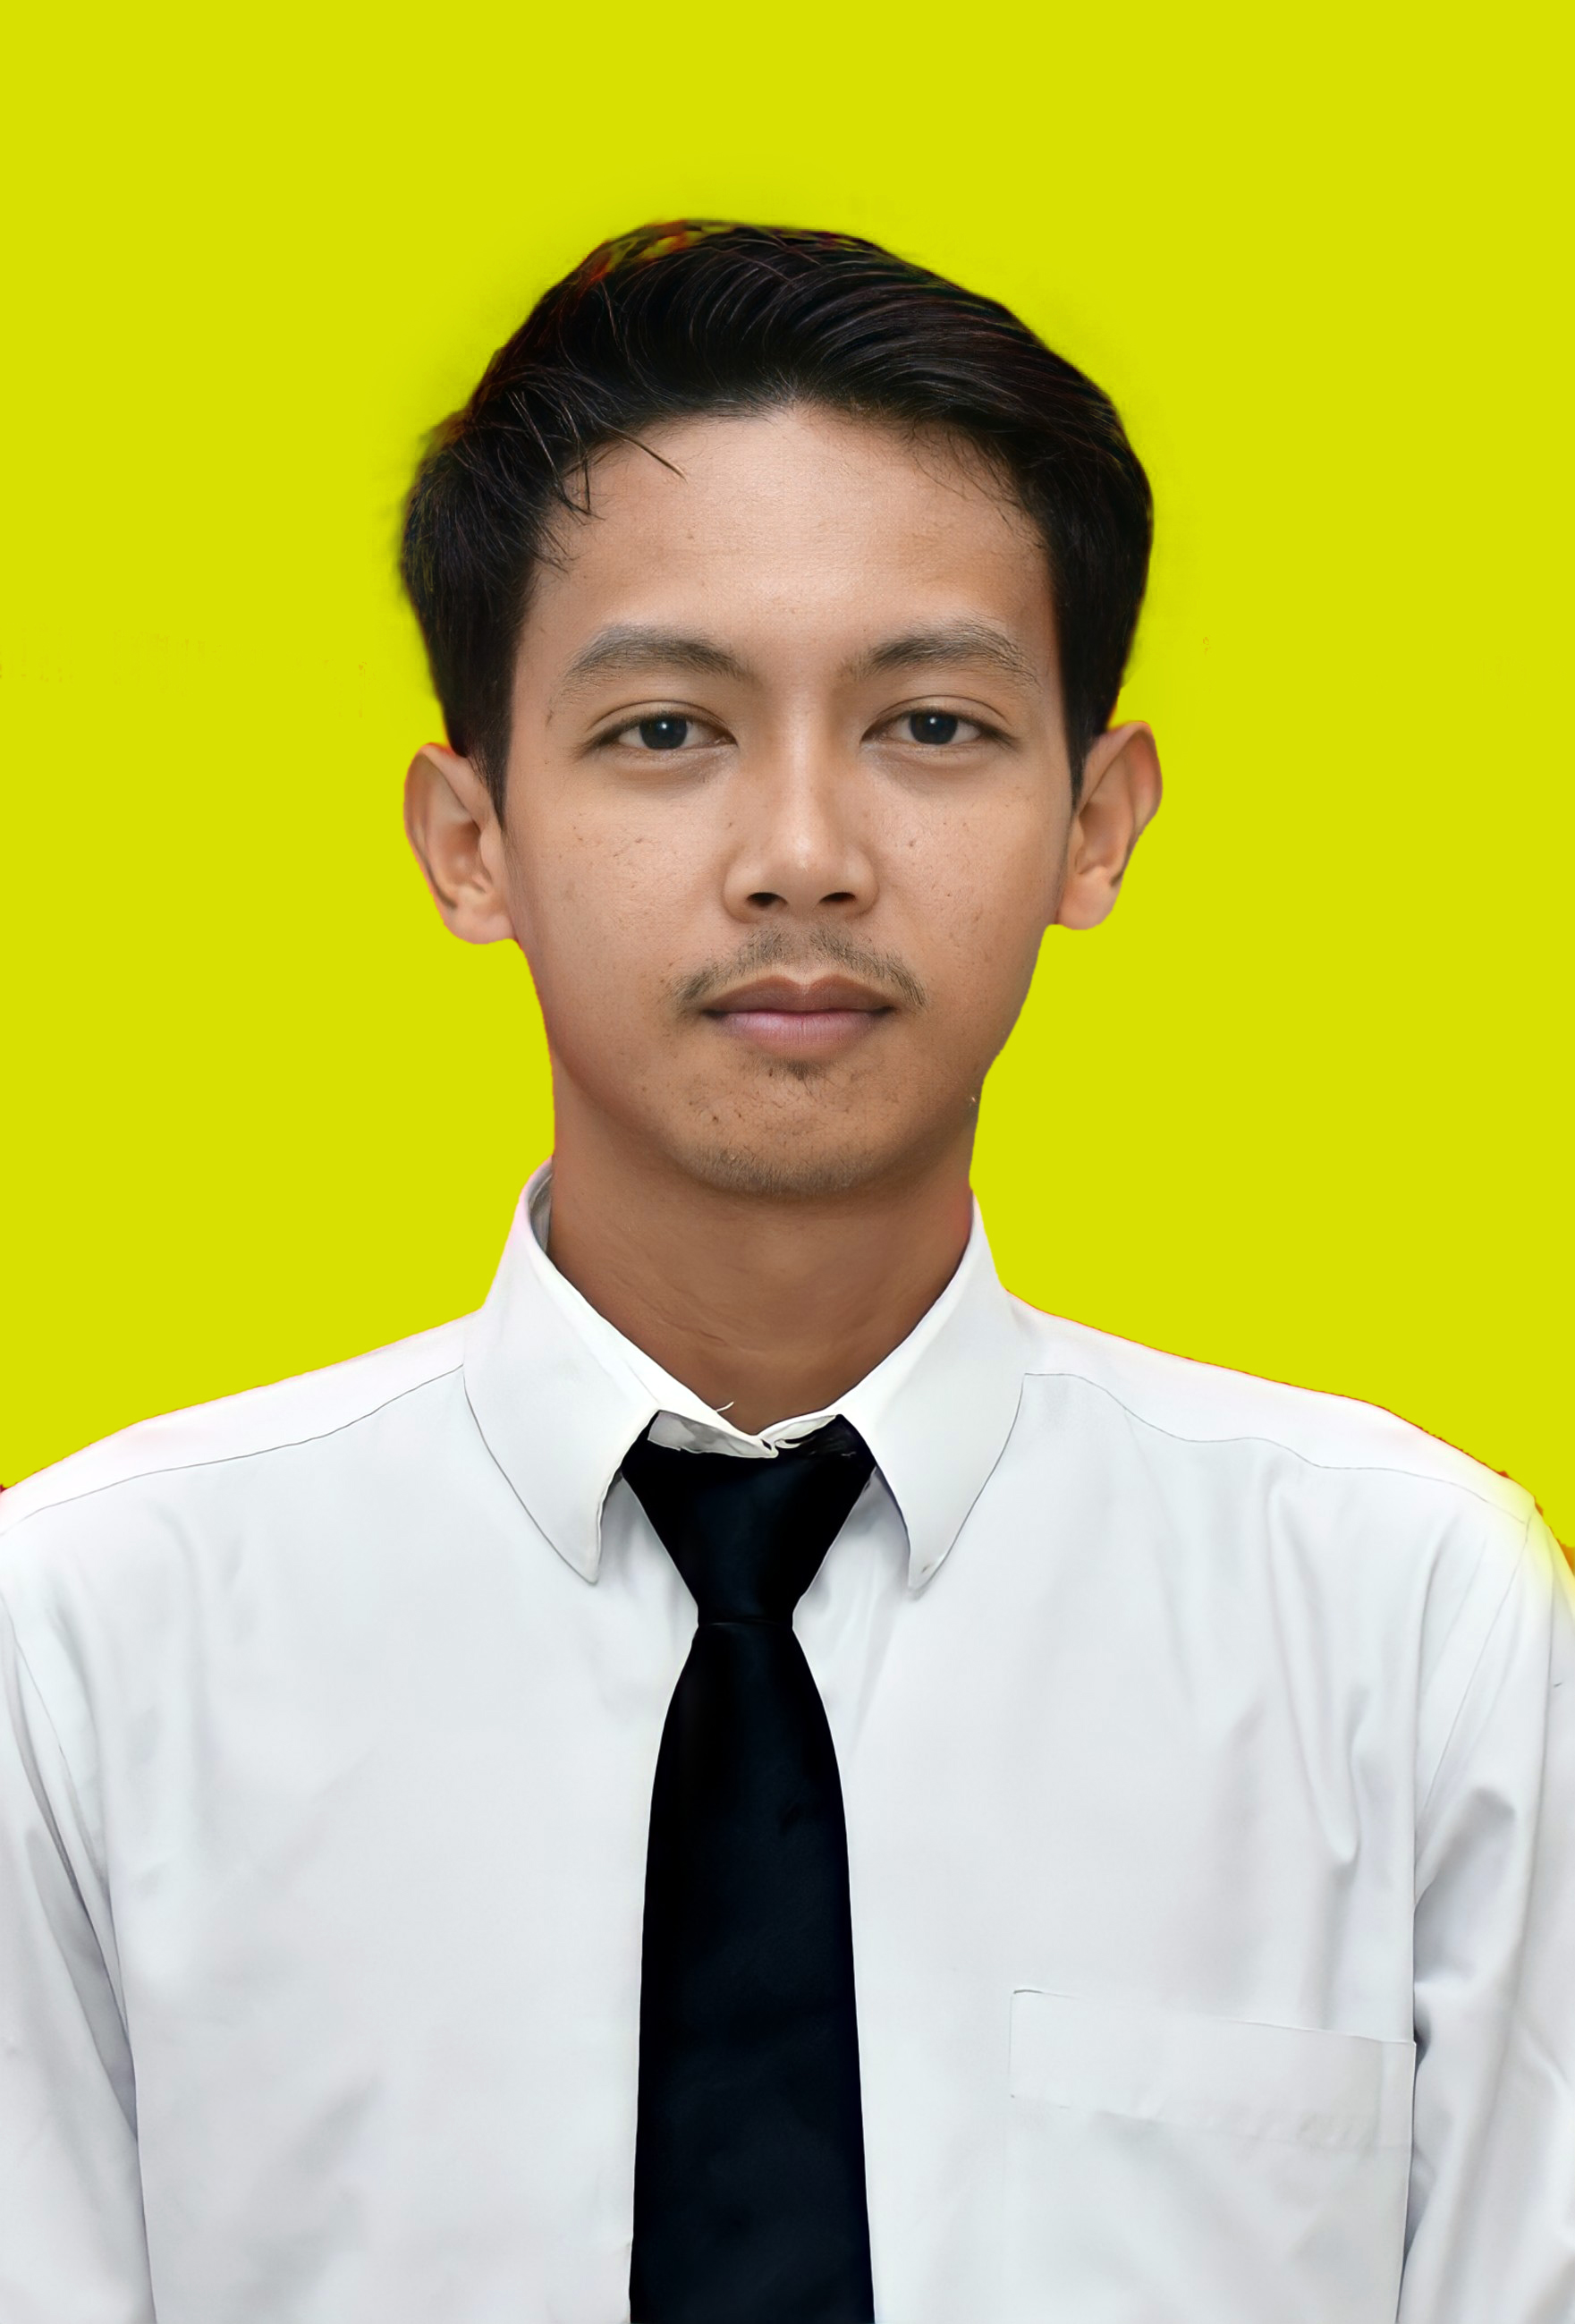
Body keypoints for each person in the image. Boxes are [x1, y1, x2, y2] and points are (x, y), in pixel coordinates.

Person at [1, 220, 1570, 2324]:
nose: (802, 855)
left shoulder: (1405, 1631)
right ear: (469, 836)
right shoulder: (88, 1647)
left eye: (929, 723)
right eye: (666, 731)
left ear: (1095, 821)